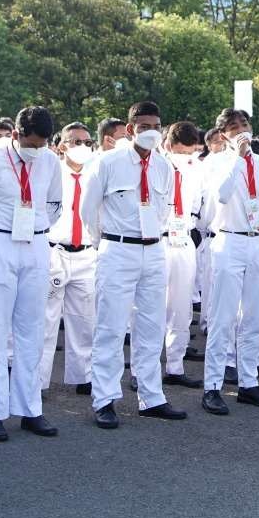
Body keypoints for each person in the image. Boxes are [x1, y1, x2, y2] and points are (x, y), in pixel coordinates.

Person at [80, 101, 186, 428]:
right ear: (130, 129)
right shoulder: (107, 163)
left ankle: (151, 397)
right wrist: (107, 243)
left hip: (154, 250)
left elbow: (165, 209)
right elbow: (88, 211)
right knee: (110, 327)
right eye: (143, 126)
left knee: (151, 327)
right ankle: (104, 399)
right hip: (118, 248)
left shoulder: (163, 166)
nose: (150, 132)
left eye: (156, 126)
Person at [0, 106, 63, 441]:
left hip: (35, 244)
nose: (36, 151)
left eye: (42, 144)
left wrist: (35, 227)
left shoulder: (49, 160)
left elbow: (54, 204)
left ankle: (30, 408)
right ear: (16, 134)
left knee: (32, 330)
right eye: (31, 143)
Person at [201, 108, 259, 413]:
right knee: (223, 317)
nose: (241, 131)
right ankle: (212, 385)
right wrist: (236, 157)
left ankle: (249, 382)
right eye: (233, 128)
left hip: (255, 240)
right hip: (228, 240)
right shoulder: (217, 162)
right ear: (223, 135)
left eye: (244, 125)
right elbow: (221, 195)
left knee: (254, 316)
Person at [39, 121, 96, 398]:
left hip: (86, 251)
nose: (82, 147)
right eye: (76, 142)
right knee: (46, 320)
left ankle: (84, 376)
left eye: (87, 142)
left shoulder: (95, 173)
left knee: (85, 319)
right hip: (55, 250)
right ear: (61, 145)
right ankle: (37, 380)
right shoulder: (51, 172)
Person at [159, 121, 208, 391]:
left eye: (190, 153)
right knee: (152, 306)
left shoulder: (197, 169)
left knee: (181, 307)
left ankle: (175, 366)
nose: (185, 158)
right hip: (160, 238)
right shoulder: (155, 165)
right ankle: (145, 368)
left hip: (184, 238)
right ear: (167, 145)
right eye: (180, 152)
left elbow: (202, 203)